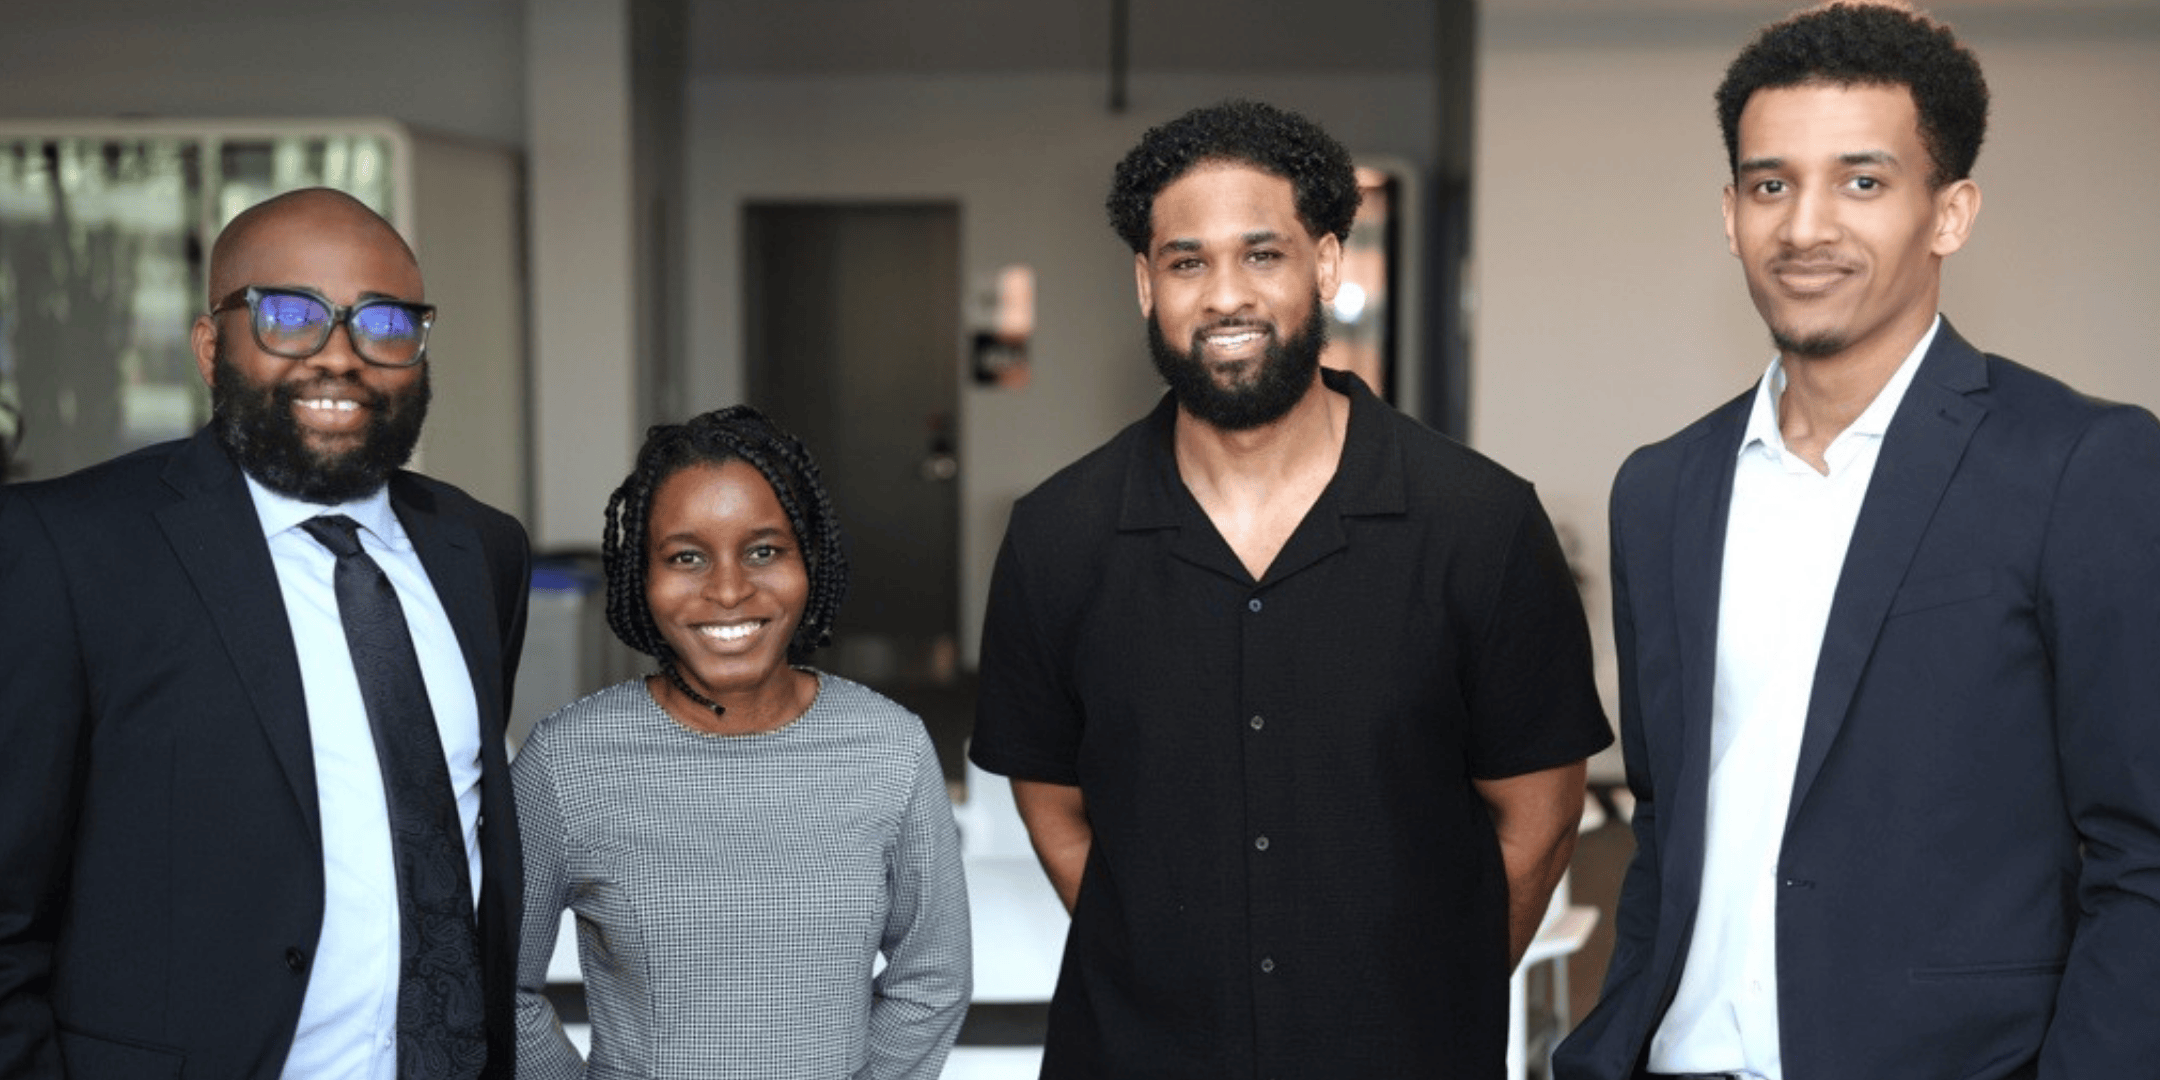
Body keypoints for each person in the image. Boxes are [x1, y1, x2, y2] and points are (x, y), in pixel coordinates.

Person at [1553, 4, 2160, 1078]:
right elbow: (1668, 827)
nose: (1805, 227)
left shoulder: (2080, 466)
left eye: (1863, 181)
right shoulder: (1662, 490)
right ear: (1729, 213)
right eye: (1770, 183)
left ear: (1951, 213)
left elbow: (2142, 854)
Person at [969, 99, 1613, 1077]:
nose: (1225, 295)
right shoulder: (1060, 536)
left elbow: (1542, 813)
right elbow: (1052, 803)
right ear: (1146, 284)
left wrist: (1426, 990)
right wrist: (1169, 971)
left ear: (1326, 262)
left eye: (1261, 255)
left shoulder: (1477, 524)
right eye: (1187, 262)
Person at [0, 187, 531, 1079]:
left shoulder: (480, 550)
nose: (341, 357)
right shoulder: (64, 550)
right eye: (291, 315)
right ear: (212, 345)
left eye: (385, 323)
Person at [512, 405, 970, 1080]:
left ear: (806, 561)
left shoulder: (890, 749)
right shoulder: (567, 764)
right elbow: (500, 985)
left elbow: (931, 979)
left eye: (764, 551)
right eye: (686, 557)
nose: (728, 590)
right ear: (644, 575)